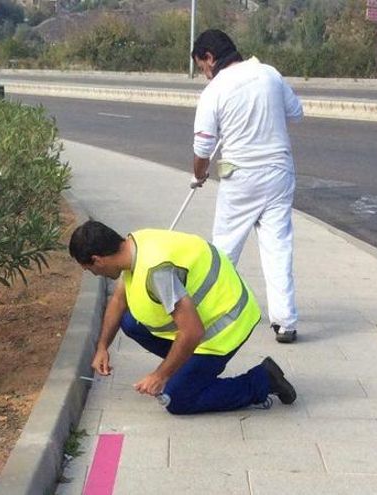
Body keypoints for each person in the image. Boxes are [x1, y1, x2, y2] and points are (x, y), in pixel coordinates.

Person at [68, 220, 296, 414]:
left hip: (225, 328)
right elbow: (119, 300)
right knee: (130, 322)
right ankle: (189, 369)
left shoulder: (157, 273)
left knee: (176, 399)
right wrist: (102, 347)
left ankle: (263, 380)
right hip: (205, 317)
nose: (95, 274)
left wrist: (160, 375)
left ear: (98, 259)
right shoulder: (134, 244)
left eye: (90, 269)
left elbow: (192, 332)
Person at [189, 29, 303, 344]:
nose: (204, 73)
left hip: (239, 175)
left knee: (225, 247)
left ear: (210, 57)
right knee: (278, 247)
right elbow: (296, 113)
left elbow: (202, 149)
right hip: (279, 172)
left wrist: (199, 175)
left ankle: (211, 312)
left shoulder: (214, 90)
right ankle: (285, 322)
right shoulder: (270, 74)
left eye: (202, 66)